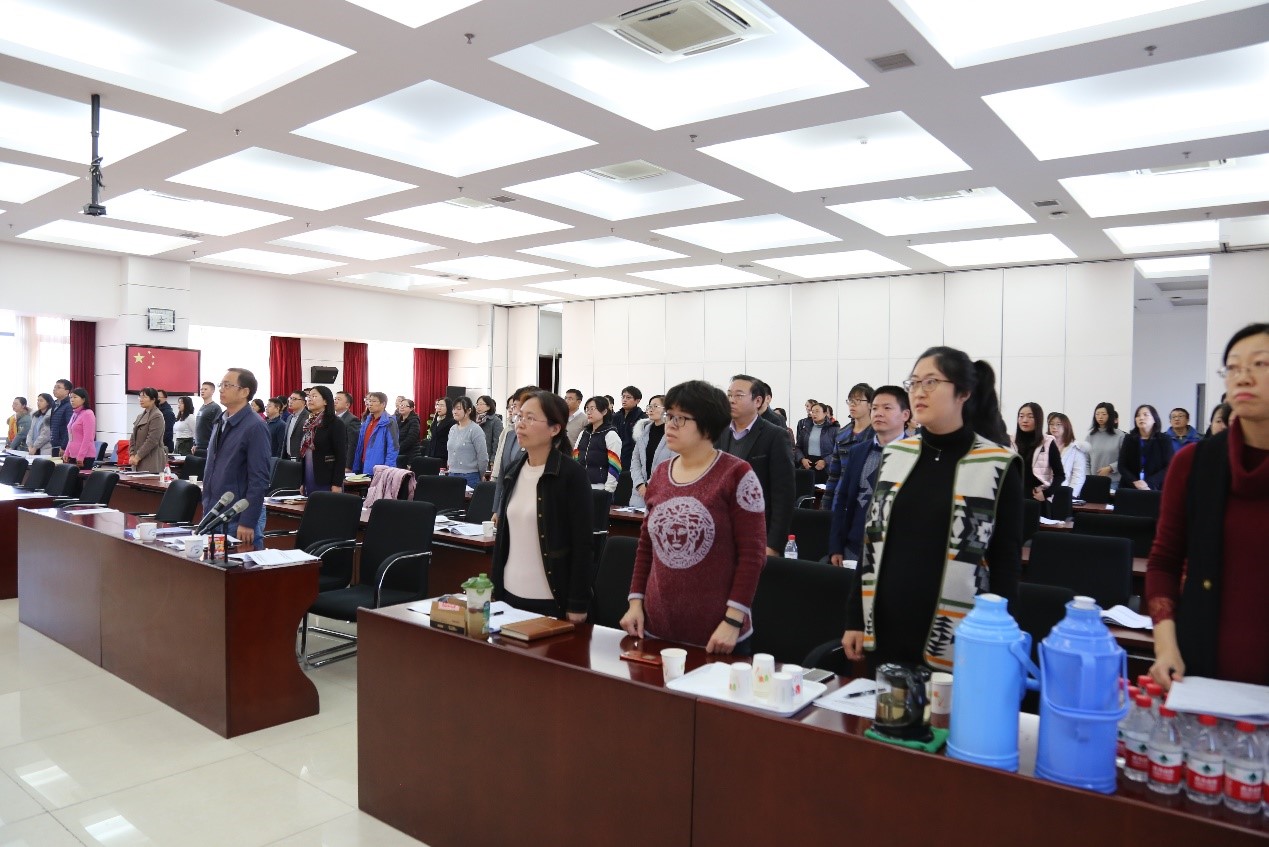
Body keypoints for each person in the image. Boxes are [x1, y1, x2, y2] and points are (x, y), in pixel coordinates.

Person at [841, 347, 1022, 672]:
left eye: (931, 382)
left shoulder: (996, 464)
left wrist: (999, 636)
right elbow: (872, 542)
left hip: (960, 632)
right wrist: (855, 618)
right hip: (886, 624)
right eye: (914, 382)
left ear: (963, 393)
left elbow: (1005, 563)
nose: (919, 392)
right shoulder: (895, 455)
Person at [1147, 323, 1269, 688]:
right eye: (1233, 367)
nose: (1242, 377)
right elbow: (1164, 562)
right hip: (1200, 670)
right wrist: (1166, 647)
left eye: (1260, 364)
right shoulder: (1194, 463)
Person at [620, 380, 767, 655]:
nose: (670, 425)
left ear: (708, 426)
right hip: (657, 624)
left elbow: (752, 555)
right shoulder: (661, 473)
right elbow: (646, 545)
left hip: (718, 632)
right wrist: (635, 602)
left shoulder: (737, 474)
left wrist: (733, 620)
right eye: (669, 416)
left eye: (681, 418)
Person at [490, 391, 593, 621]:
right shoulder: (514, 470)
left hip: (549, 598)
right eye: (519, 417)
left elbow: (583, 544)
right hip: (508, 593)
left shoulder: (571, 475)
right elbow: (503, 538)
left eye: (530, 418)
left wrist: (578, 603)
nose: (520, 424)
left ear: (554, 429)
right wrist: (494, 588)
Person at [828, 386, 911, 566]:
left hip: (895, 554)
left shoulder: (916, 455)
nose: (878, 413)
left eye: (887, 408)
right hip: (854, 548)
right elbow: (842, 498)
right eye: (874, 408)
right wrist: (836, 546)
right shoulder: (858, 451)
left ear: (905, 415)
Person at [717, 374, 795, 556]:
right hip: (721, 532)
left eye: (738, 395)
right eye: (729, 395)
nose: (731, 400)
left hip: (756, 533)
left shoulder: (775, 436)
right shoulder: (720, 432)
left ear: (758, 401)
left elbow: (783, 495)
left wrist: (774, 544)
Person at [201, 369, 271, 550]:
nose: (221, 389)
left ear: (244, 392)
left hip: (237, 518)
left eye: (227, 385)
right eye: (221, 385)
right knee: (212, 566)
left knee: (240, 567)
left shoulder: (255, 426)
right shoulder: (220, 421)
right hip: (213, 513)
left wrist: (248, 521)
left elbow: (259, 479)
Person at [824, 383, 875, 510]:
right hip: (841, 498)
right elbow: (834, 474)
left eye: (858, 400)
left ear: (870, 404)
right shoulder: (842, 434)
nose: (852, 404)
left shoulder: (879, 435)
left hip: (867, 500)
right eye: (850, 401)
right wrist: (826, 504)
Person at [492, 386, 540, 515]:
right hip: (507, 504)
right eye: (512, 406)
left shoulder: (540, 440)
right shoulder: (510, 435)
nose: (513, 410)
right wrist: (497, 509)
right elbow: (502, 475)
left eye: (516, 406)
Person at [1012, 402, 1064, 503]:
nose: (1024, 420)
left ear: (1038, 419)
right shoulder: (1011, 442)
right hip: (1014, 496)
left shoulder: (1047, 442)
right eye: (1021, 416)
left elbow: (1060, 475)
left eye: (1030, 417)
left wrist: (1046, 493)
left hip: (1037, 498)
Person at [299, 386, 346, 495]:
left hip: (327, 479)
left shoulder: (335, 423)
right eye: (309, 397)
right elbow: (305, 454)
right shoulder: (308, 423)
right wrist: (302, 482)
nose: (310, 399)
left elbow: (341, 455)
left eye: (314, 396)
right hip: (309, 476)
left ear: (325, 401)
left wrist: (337, 483)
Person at [630, 394, 673, 509]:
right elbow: (635, 461)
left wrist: (649, 485)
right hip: (640, 494)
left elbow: (672, 464)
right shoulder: (642, 432)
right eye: (649, 406)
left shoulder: (672, 433)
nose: (651, 409)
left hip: (662, 492)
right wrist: (640, 484)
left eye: (655, 406)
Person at [1118, 404, 1173, 491]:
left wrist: (1148, 483)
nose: (1141, 418)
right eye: (1138, 415)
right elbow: (1122, 466)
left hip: (1155, 487)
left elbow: (1169, 466)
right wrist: (1135, 482)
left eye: (1145, 415)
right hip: (1130, 487)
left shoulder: (1164, 439)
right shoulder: (1129, 438)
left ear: (1154, 419)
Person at [574, 395, 622, 492]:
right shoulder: (583, 433)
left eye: (592, 409)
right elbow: (575, 458)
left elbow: (615, 466)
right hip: (579, 484)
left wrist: (608, 490)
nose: (589, 412)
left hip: (600, 487)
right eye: (587, 409)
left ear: (604, 411)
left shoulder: (610, 434)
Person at [446, 396, 488, 487]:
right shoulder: (452, 429)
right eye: (454, 409)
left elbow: (483, 456)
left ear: (469, 411)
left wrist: (480, 474)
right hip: (451, 474)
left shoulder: (475, 430)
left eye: (459, 409)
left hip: (470, 476)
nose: (455, 412)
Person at [353, 392, 399, 474]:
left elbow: (393, 447)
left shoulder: (389, 421)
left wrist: (388, 470)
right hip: (362, 464)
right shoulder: (367, 420)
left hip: (379, 468)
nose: (370, 404)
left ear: (383, 404)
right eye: (369, 401)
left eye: (374, 401)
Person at [794, 402, 840, 484]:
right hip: (807, 464)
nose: (814, 414)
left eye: (817, 411)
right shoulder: (806, 429)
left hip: (825, 467)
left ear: (825, 413)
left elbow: (839, 449)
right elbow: (798, 447)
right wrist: (802, 459)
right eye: (812, 411)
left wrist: (825, 461)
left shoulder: (834, 429)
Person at [1047, 412, 1088, 499]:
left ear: (1066, 426)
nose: (1054, 427)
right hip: (1044, 491)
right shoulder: (1044, 444)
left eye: (1058, 424)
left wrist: (1070, 494)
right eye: (1051, 424)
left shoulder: (1075, 448)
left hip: (1063, 492)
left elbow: (1078, 475)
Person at [1087, 402, 1125, 491]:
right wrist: (1088, 476)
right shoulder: (1090, 436)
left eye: (1104, 414)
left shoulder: (1120, 435)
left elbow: (1125, 459)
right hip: (1093, 481)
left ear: (1110, 415)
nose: (1100, 417)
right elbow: (1086, 460)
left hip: (1113, 482)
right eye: (1097, 414)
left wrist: (1111, 468)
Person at [129, 387, 168, 473]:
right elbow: (133, 437)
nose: (141, 399)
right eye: (140, 397)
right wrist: (132, 454)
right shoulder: (140, 416)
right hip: (137, 460)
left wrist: (138, 457)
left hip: (151, 460)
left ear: (153, 399)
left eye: (144, 397)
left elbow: (152, 440)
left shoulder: (157, 415)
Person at [612, 385, 646, 476]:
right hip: (615, 459)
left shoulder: (642, 418)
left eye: (628, 397)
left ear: (637, 400)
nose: (624, 400)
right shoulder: (616, 417)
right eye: (623, 397)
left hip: (632, 461)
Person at [63, 387, 97, 467]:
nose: (72, 400)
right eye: (71, 397)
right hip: (72, 455)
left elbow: (88, 438)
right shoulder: (75, 413)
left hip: (85, 456)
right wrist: (66, 452)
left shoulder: (88, 414)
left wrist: (81, 456)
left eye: (75, 397)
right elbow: (71, 438)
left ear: (83, 399)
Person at [193, 381, 221, 457]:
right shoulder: (201, 407)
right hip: (198, 446)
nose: (202, 391)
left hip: (208, 446)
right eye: (201, 389)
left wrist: (212, 446)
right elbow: (198, 427)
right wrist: (195, 443)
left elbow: (218, 428)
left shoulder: (215, 408)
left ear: (212, 391)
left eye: (205, 389)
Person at [425, 397, 455, 465]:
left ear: (448, 407)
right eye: (437, 405)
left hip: (443, 456)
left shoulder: (452, 422)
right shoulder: (436, 420)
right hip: (432, 455)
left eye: (442, 405)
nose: (439, 407)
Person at [333, 391, 359, 469]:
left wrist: (348, 466)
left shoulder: (352, 420)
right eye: (335, 399)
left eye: (339, 399)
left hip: (343, 462)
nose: (335, 401)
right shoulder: (332, 418)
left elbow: (352, 445)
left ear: (347, 405)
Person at [475, 395, 503, 465]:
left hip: (487, 459)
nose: (478, 406)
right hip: (473, 458)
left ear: (488, 406)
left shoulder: (495, 421)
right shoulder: (474, 420)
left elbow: (497, 442)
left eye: (481, 404)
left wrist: (493, 460)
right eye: (477, 404)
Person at [282, 390, 309, 460]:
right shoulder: (289, 417)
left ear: (303, 402)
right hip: (287, 457)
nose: (290, 401)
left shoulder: (308, 417)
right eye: (290, 398)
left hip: (300, 458)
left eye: (294, 399)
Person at [48, 378, 72, 456]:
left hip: (63, 446)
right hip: (54, 444)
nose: (55, 389)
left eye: (58, 387)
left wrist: (64, 446)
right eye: (54, 387)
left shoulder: (69, 406)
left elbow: (69, 427)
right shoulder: (55, 404)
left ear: (67, 391)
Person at [395, 398, 422, 465]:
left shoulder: (414, 420)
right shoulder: (397, 420)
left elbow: (411, 439)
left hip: (410, 454)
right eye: (401, 405)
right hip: (399, 453)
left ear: (411, 409)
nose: (402, 407)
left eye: (405, 406)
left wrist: (398, 449)